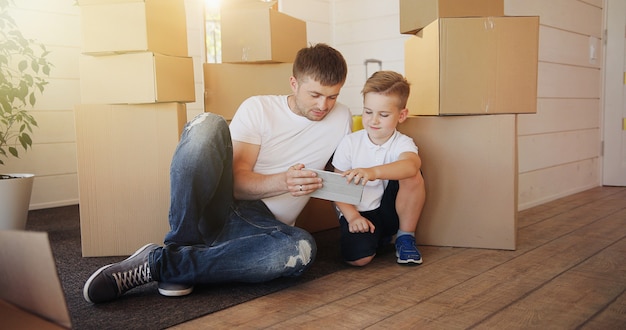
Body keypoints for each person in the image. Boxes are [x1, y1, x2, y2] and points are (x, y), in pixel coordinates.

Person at [83, 43, 352, 304]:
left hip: (264, 229)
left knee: (301, 249)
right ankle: (181, 243)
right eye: (315, 95)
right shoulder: (259, 108)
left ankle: (163, 263)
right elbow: (237, 185)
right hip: (222, 205)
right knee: (207, 124)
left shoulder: (341, 117)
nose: (323, 105)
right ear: (294, 83)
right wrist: (284, 181)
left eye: (332, 96)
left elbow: (341, 172)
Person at [332, 70, 425, 267]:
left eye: (383, 115)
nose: (373, 120)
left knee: (412, 174)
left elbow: (411, 165)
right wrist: (353, 216)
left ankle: (405, 237)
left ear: (401, 115)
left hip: (390, 210)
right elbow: (336, 187)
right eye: (368, 112)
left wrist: (373, 172)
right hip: (359, 211)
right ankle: (379, 239)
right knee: (360, 259)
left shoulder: (402, 143)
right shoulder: (350, 143)